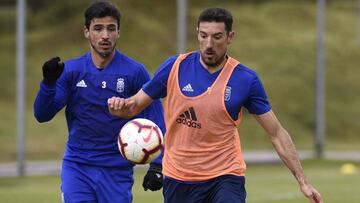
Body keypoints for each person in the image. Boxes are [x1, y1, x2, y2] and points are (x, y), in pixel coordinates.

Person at [107, 7, 323, 203]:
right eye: (204, 36)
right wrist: (119, 106)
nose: (209, 44)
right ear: (197, 34)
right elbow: (134, 106)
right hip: (179, 178)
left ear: (230, 37)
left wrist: (303, 181)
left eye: (217, 37)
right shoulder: (174, 67)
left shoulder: (245, 79)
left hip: (225, 177)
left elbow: (276, 133)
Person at [33, 1, 165, 202]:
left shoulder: (135, 72)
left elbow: (156, 120)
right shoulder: (71, 71)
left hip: (117, 171)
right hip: (78, 167)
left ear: (118, 32)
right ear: (86, 32)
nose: (105, 35)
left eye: (111, 28)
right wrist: (48, 84)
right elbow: (42, 115)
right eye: (98, 28)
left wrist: (158, 165)